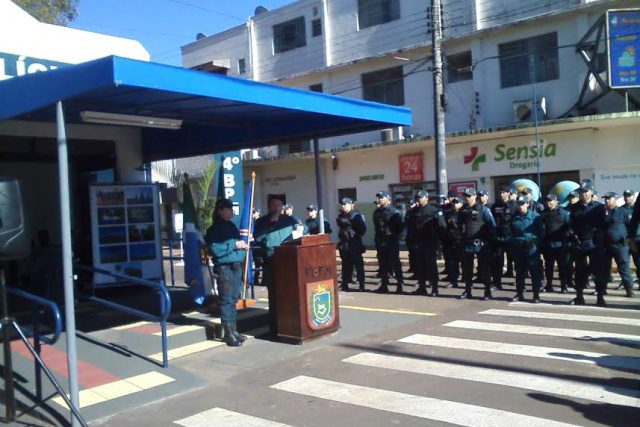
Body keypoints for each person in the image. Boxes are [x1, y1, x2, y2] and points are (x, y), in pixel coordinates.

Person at [254, 196, 304, 334]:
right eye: (274, 205)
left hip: (288, 261)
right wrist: (269, 225)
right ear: (269, 207)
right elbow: (257, 237)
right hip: (271, 260)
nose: (277, 208)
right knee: (275, 295)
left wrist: (301, 227)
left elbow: (302, 229)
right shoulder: (261, 221)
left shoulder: (289, 220)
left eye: (279, 205)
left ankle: (290, 323)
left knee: (289, 293)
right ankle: (275, 325)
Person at [205, 198, 249, 347]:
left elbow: (235, 245)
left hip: (235, 266)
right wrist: (234, 244)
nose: (232, 211)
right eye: (228, 208)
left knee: (233, 300)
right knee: (225, 300)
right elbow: (215, 249)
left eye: (232, 208)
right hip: (224, 267)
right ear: (220, 211)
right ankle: (228, 333)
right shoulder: (214, 229)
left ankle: (233, 330)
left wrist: (242, 247)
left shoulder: (231, 226)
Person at [567, 180, 607, 306]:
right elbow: (570, 225)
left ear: (591, 192)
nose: (583, 194)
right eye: (581, 192)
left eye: (585, 191)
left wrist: (600, 241)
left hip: (595, 244)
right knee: (579, 271)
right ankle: (579, 296)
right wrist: (573, 238)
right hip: (579, 244)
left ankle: (600, 297)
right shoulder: (574, 208)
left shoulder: (599, 207)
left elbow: (604, 226)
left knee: (598, 271)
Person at [457, 188, 496, 300]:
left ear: (475, 196)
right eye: (465, 196)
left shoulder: (483, 209)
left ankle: (487, 291)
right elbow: (459, 226)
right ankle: (468, 290)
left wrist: (487, 240)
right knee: (467, 269)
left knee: (484, 269)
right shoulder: (463, 210)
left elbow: (492, 226)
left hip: (480, 244)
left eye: (469, 196)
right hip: (467, 243)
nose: (467, 198)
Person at [405, 191, 445, 296]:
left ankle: (435, 289)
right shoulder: (414, 211)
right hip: (418, 242)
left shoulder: (434, 210)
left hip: (430, 242)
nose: (419, 199)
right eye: (418, 197)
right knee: (420, 266)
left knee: (431, 266)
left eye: (421, 197)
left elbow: (442, 226)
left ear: (427, 198)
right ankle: (422, 288)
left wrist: (438, 240)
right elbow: (410, 226)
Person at [509, 195, 545, 303]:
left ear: (527, 204)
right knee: (519, 272)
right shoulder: (514, 216)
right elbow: (511, 230)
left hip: (531, 248)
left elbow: (541, 232)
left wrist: (534, 241)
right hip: (518, 248)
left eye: (523, 204)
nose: (520, 206)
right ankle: (519, 294)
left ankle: (536, 295)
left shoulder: (534, 216)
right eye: (519, 204)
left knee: (534, 272)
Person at [602, 192, 635, 298]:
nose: (607, 201)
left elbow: (630, 227)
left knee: (624, 268)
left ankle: (629, 290)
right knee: (604, 268)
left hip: (620, 245)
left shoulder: (622, 212)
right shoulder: (603, 213)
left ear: (615, 199)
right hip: (606, 245)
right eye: (606, 199)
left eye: (609, 199)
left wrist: (629, 240)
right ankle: (602, 289)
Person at [373, 190, 405, 294]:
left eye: (382, 197)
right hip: (380, 241)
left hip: (391, 241)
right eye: (379, 197)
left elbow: (401, 227)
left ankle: (399, 285)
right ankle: (384, 285)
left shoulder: (394, 212)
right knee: (382, 264)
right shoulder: (376, 212)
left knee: (395, 263)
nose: (380, 199)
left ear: (388, 199)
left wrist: (395, 236)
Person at [540, 194, 571, 293]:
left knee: (562, 266)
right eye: (547, 200)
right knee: (548, 267)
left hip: (560, 244)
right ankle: (549, 285)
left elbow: (568, 226)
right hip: (547, 244)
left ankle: (563, 286)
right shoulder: (543, 213)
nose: (548, 202)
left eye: (551, 200)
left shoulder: (563, 213)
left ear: (556, 201)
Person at [336, 198, 367, 292]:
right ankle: (345, 284)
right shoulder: (341, 215)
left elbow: (363, 229)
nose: (343, 206)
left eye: (345, 204)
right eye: (342, 204)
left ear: (350, 205)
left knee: (358, 265)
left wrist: (354, 235)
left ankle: (361, 284)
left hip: (354, 243)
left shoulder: (356, 215)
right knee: (345, 265)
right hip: (344, 244)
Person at [490, 185, 516, 291]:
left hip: (510, 236)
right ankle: (497, 283)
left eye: (504, 192)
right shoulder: (496, 205)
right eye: (500, 192)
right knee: (497, 261)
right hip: (499, 236)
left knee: (516, 260)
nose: (501, 195)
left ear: (508, 193)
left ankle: (520, 285)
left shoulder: (513, 205)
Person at [619, 189, 640, 289]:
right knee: (624, 263)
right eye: (625, 196)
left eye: (629, 195)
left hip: (636, 239)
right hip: (626, 240)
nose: (627, 198)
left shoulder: (635, 208)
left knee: (637, 262)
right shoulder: (620, 210)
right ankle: (626, 282)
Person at [443, 197, 463, 288]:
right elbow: (445, 226)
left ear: (461, 203)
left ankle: (467, 281)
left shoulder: (465, 212)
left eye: (457, 202)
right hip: (452, 240)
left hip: (463, 240)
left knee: (465, 263)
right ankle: (453, 281)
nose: (455, 204)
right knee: (452, 262)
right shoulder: (449, 214)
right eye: (454, 202)